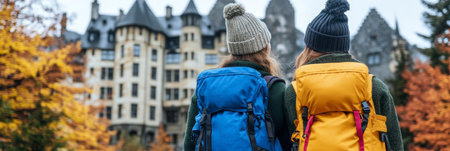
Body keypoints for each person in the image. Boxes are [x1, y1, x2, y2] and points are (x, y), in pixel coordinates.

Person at [284, 0, 403, 151]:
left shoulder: (294, 92)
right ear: (344, 46)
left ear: (309, 47)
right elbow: (395, 144)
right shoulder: (373, 87)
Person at [183, 3, 291, 151]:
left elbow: (190, 143)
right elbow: (287, 141)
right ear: (265, 47)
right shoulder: (273, 87)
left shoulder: (206, 87)